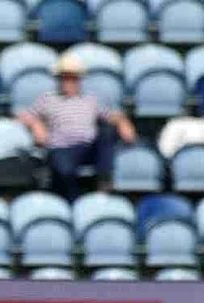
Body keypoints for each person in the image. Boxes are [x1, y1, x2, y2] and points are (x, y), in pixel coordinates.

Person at [17, 53, 136, 201]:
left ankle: (104, 179)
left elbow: (111, 116)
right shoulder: (48, 99)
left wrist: (123, 122)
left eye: (73, 78)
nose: (68, 82)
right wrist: (36, 124)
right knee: (64, 169)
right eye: (65, 78)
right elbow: (23, 116)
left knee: (107, 131)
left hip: (87, 147)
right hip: (61, 148)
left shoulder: (90, 99)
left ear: (79, 79)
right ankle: (75, 199)